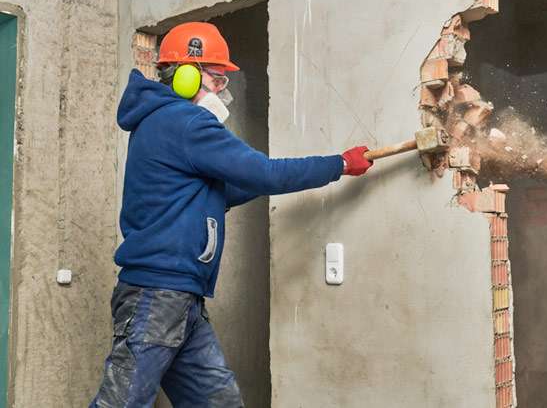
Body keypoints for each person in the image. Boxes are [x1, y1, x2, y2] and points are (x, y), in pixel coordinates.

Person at [90, 22, 373, 407]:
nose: (222, 91)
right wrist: (337, 164)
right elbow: (265, 174)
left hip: (181, 298)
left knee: (219, 402)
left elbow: (228, 188)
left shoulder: (162, 124)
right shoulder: (186, 123)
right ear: (187, 75)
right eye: (217, 79)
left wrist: (279, 177)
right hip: (157, 296)